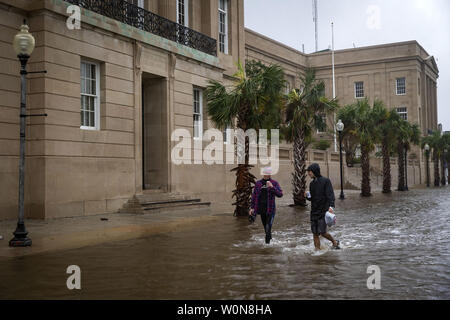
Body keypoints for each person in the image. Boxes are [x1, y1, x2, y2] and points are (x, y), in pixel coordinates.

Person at [305, 163, 340, 251]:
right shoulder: (312, 184)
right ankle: (317, 250)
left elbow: (330, 195)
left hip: (323, 211)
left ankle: (334, 242)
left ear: (314, 171)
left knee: (322, 232)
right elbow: (312, 199)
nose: (308, 173)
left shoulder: (326, 181)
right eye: (308, 172)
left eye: (309, 171)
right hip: (314, 211)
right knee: (315, 233)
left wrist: (331, 207)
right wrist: (307, 196)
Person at [249, 167, 283, 244]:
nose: (266, 175)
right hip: (261, 209)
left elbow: (280, 194)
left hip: (270, 210)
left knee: (268, 227)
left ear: (270, 174)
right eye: (265, 173)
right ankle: (269, 241)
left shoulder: (274, 183)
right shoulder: (258, 183)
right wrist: (252, 208)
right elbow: (254, 196)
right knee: (266, 228)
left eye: (268, 173)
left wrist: (272, 187)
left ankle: (267, 246)